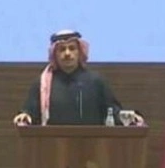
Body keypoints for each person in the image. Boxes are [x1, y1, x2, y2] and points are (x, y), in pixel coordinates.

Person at [12, 29, 144, 126]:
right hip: (52, 148)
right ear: (54, 54)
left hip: (92, 147)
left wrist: (129, 118)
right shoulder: (42, 84)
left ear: (79, 52)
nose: (67, 53)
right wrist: (25, 116)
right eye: (62, 49)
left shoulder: (96, 81)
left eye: (72, 48)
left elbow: (112, 112)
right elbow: (31, 113)